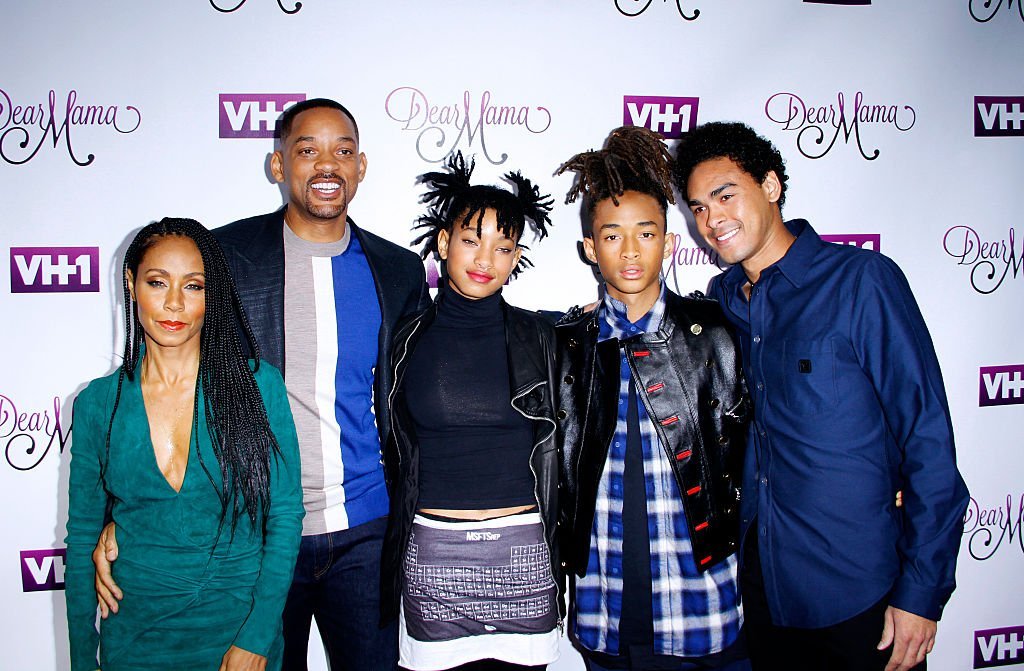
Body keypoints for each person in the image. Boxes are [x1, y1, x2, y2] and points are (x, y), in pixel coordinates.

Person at [91, 99, 430, 670]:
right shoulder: (223, 257)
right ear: (278, 165)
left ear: (363, 165)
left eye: (343, 151)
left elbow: (427, 388)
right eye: (307, 150)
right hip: (253, 531)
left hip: (366, 529)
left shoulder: (397, 270)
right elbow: (159, 379)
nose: (327, 165)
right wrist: (113, 511)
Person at [673, 121, 970, 671]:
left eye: (724, 195)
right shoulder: (723, 301)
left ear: (770, 186)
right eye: (697, 208)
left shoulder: (862, 281)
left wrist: (921, 594)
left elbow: (926, 438)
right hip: (763, 597)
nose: (711, 221)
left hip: (863, 595)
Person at [65, 218, 303, 671]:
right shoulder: (98, 404)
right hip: (136, 639)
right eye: (158, 283)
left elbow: (286, 516)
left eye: (193, 286)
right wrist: (81, 659)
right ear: (132, 285)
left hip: (238, 636)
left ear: (211, 297)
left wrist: (258, 636)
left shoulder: (257, 387)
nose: (174, 303)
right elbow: (80, 543)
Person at [554, 126, 750, 671]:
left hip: (703, 605)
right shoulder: (567, 347)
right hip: (605, 604)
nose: (632, 250)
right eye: (613, 235)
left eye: (647, 233)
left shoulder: (717, 332)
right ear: (590, 249)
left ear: (668, 240)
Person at [380, 152, 562, 671]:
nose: (485, 258)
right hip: (434, 555)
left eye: (503, 247)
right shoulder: (404, 337)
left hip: (524, 553)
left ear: (516, 256)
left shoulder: (542, 337)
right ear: (443, 242)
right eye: (470, 239)